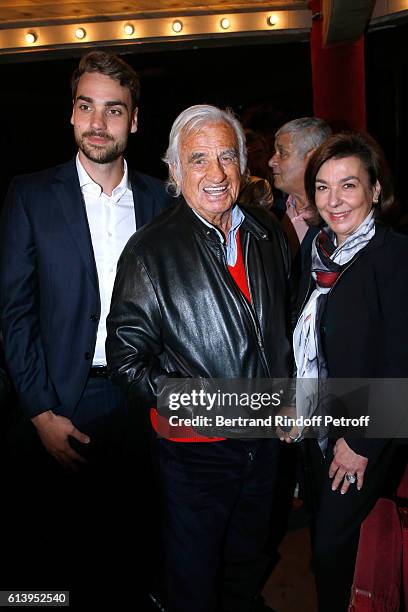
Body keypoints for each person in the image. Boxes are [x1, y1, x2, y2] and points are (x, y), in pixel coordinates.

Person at [106, 104, 294, 612]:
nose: (216, 174)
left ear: (242, 165)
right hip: (196, 451)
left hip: (266, 439)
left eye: (227, 157)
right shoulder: (150, 252)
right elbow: (126, 361)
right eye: (199, 159)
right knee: (192, 576)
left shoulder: (267, 233)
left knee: (245, 563)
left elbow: (284, 329)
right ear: (173, 171)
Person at [0, 50, 170, 605]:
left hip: (146, 402)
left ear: (135, 121)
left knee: (138, 546)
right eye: (86, 107)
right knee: (61, 560)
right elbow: (15, 313)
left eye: (113, 110)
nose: (98, 123)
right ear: (71, 114)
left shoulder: (160, 201)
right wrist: (41, 413)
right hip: (67, 400)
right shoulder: (29, 195)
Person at [287, 132, 408, 611]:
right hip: (318, 427)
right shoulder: (315, 253)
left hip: (364, 434)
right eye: (322, 187)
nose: (333, 201)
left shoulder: (394, 257)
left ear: (376, 190)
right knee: (328, 545)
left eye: (349, 186)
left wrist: (362, 442)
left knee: (336, 550)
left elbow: (400, 357)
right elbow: (307, 340)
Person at [268, 117, 331, 271]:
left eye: (282, 153)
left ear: (313, 158)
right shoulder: (272, 212)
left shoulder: (336, 221)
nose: (271, 161)